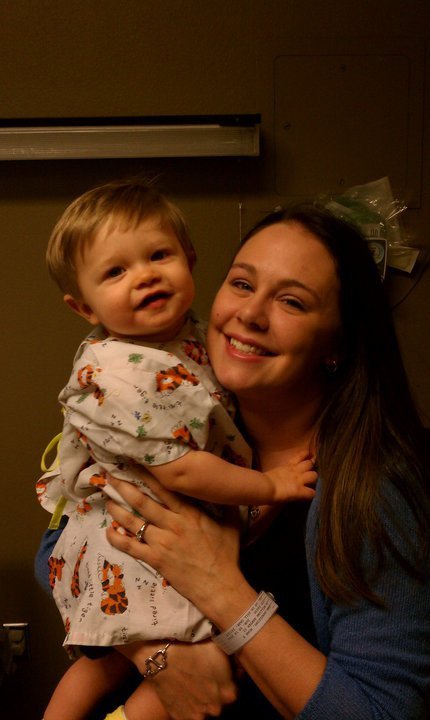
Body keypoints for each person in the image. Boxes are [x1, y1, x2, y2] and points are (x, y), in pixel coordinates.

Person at [102, 204, 430, 719]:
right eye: (241, 284)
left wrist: (220, 588)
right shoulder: (183, 410)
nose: (251, 314)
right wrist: (154, 655)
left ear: (337, 343)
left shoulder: (376, 489)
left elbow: (378, 713)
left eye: (292, 301)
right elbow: (62, 544)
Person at [37, 179, 316, 720]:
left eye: (158, 256)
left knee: (129, 655)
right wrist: (271, 485)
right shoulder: (121, 374)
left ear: (190, 260)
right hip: (126, 541)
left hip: (164, 528)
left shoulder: (193, 337)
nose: (144, 275)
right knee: (175, 649)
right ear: (83, 306)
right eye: (115, 272)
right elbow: (183, 472)